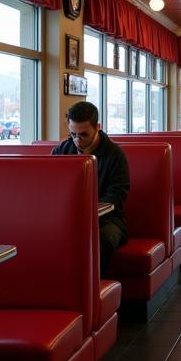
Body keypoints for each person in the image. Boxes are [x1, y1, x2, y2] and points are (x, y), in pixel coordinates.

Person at [52, 100, 130, 274]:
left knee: (102, 239)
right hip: (68, 218)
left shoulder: (115, 155)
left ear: (98, 127)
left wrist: (90, 213)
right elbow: (51, 189)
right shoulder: (61, 151)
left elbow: (117, 195)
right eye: (73, 134)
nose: (77, 140)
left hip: (108, 220)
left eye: (83, 135)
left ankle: (92, 289)